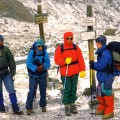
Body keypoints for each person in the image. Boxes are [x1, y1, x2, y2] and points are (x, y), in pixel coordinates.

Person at [54, 32, 86, 116]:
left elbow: (80, 59)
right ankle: (66, 107)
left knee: (73, 89)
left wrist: (82, 70)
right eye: (67, 38)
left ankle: (72, 105)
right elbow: (56, 60)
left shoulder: (76, 48)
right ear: (64, 38)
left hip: (75, 72)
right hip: (65, 73)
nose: (69, 40)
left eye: (71, 38)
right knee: (67, 89)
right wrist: (64, 61)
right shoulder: (60, 48)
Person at [89, 35, 114, 119]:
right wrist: (93, 65)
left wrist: (94, 64)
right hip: (102, 77)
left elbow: (101, 66)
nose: (96, 44)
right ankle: (102, 108)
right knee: (99, 93)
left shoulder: (106, 53)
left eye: (97, 42)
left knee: (107, 94)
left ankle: (109, 111)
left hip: (107, 77)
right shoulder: (101, 52)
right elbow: (100, 66)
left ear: (101, 43)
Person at [26, 39, 50, 115]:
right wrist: (36, 68)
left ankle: (43, 105)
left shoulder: (45, 53)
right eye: (39, 46)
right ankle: (29, 107)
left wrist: (43, 66)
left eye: (41, 46)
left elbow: (48, 62)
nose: (40, 48)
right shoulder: (32, 53)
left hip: (42, 74)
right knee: (32, 90)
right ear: (36, 46)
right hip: (33, 75)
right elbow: (28, 63)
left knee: (43, 89)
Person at [0, 35, 23, 115]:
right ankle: (1, 108)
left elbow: (12, 62)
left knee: (11, 91)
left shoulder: (6, 50)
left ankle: (15, 108)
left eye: (1, 40)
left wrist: (12, 73)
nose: (0, 42)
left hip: (6, 73)